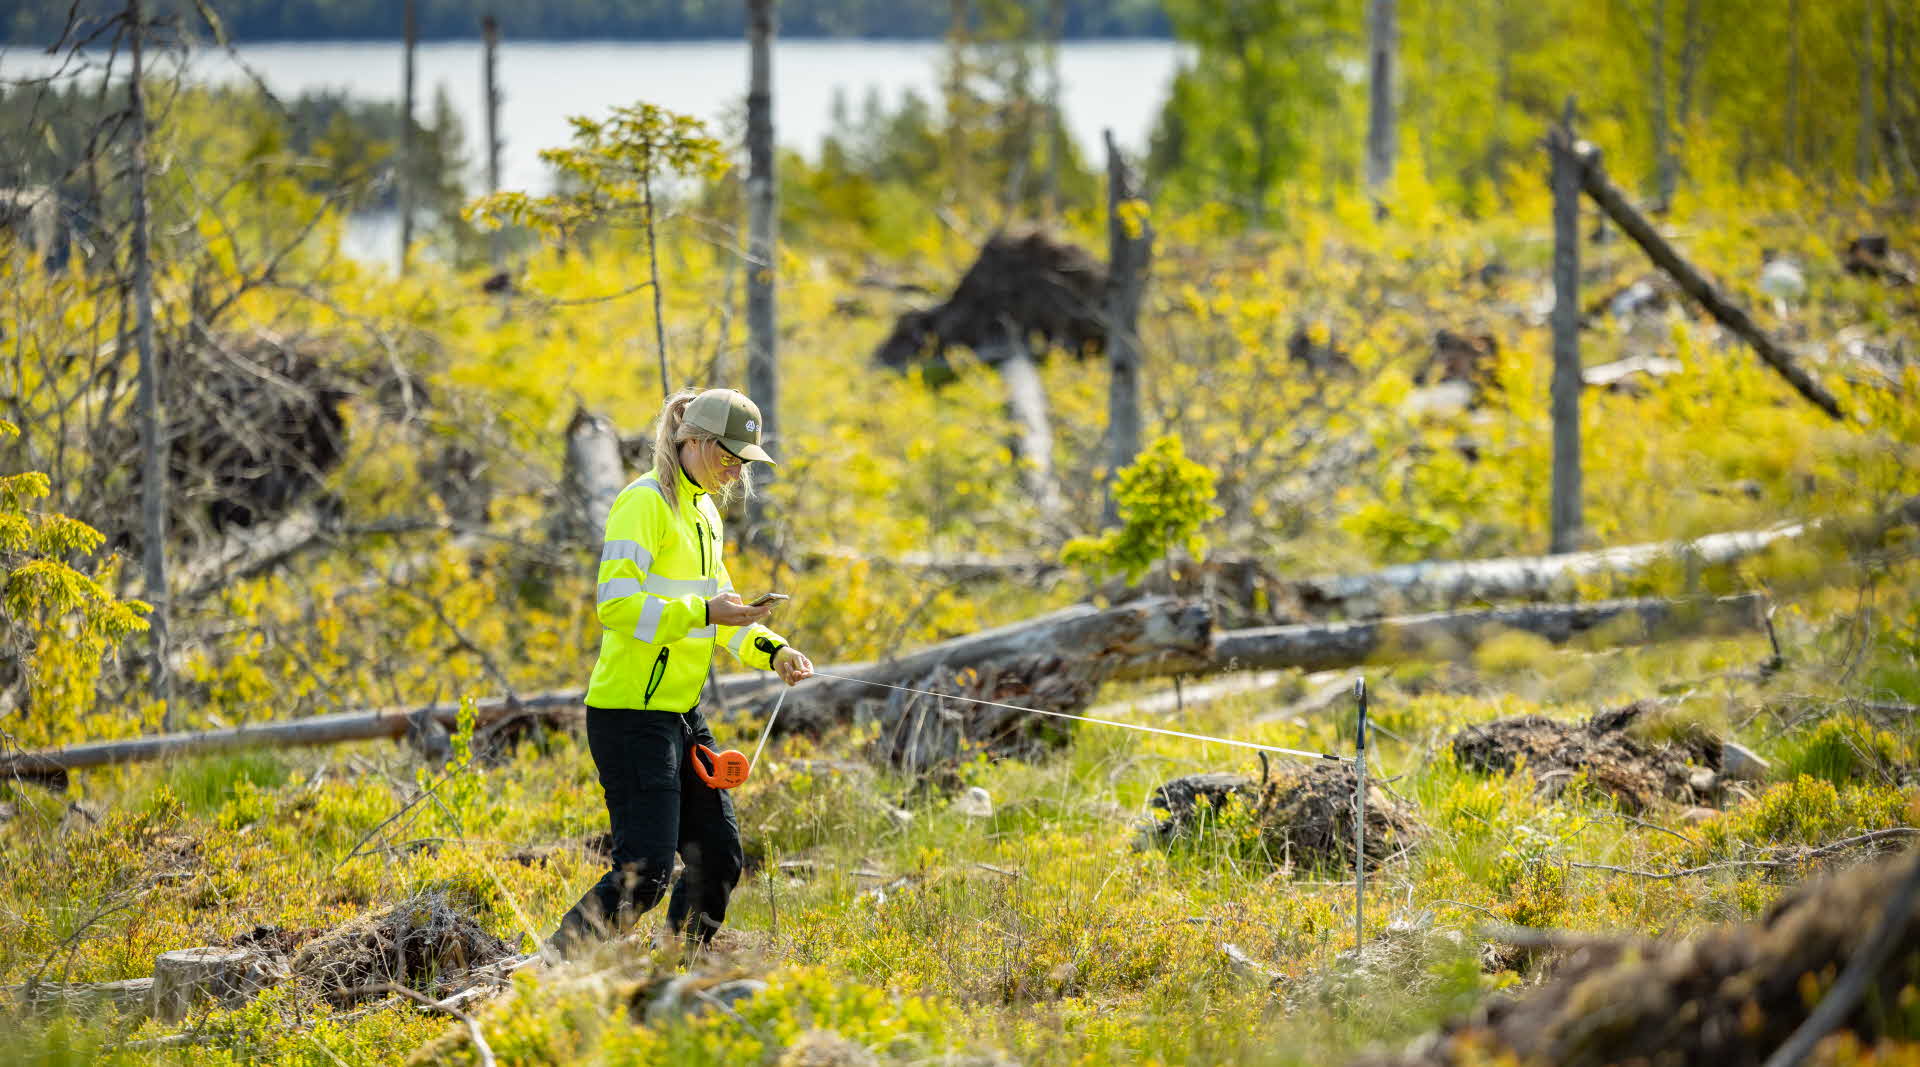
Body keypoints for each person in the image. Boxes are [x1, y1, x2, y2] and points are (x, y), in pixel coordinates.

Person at [550, 387, 813, 957]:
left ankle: (678, 976)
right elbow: (615, 606)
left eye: (743, 459)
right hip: (629, 716)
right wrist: (701, 612)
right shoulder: (643, 503)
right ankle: (549, 972)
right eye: (728, 453)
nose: (735, 467)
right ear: (691, 440)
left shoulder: (706, 513)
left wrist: (774, 650)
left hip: (680, 715)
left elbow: (725, 610)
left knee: (717, 857)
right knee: (643, 874)